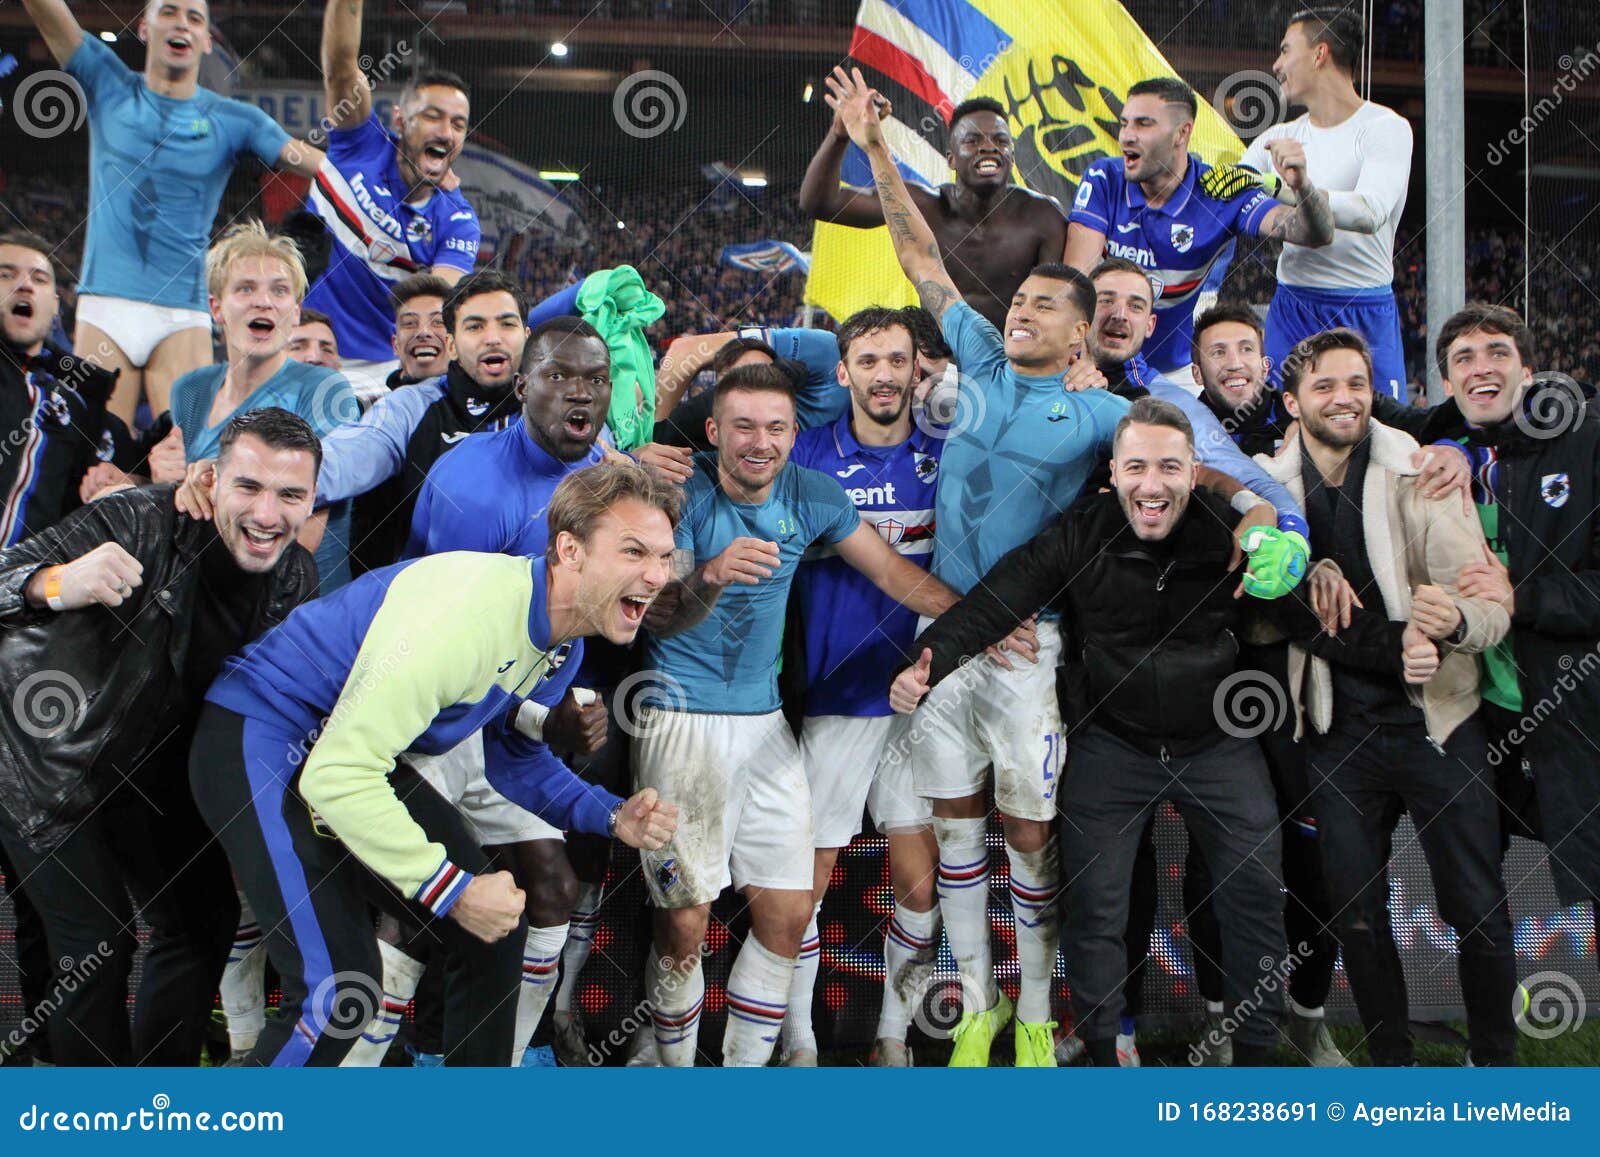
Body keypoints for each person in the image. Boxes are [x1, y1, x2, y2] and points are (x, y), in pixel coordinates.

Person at [189, 461, 683, 1066]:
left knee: (493, 932)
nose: (656, 575)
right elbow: (336, 775)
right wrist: (452, 891)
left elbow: (512, 760)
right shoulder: (468, 618)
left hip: (341, 747)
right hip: (259, 732)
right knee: (337, 990)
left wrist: (611, 816)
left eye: (664, 556)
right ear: (569, 550)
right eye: (635, 551)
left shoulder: (564, 639)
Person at [835, 65, 1129, 1067]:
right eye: (1022, 300)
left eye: (1046, 304)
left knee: (1028, 839)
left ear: (1080, 333)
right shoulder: (973, 348)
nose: (1021, 310)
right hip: (940, 639)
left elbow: (1185, 463)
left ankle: (1041, 1008)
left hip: (1022, 648)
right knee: (957, 833)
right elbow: (919, 254)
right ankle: (979, 1005)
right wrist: (875, 145)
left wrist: (1261, 507)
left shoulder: (1100, 414)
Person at [634, 364, 964, 1068]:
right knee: (684, 923)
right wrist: (711, 575)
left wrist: (983, 619)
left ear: (793, 434)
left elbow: (891, 572)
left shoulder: (812, 494)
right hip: (679, 722)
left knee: (787, 916)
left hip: (765, 725)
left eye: (777, 427)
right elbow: (655, 615)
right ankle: (668, 1072)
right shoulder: (679, 491)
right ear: (715, 431)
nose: (761, 442)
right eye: (745, 426)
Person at [0, 408, 320, 1066]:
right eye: (249, 487)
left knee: (203, 921)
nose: (268, 514)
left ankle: (155, 1102)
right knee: (98, 943)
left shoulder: (295, 577)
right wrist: (59, 582)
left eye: (290, 495)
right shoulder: (140, 519)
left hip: (151, 771)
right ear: (210, 478)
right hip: (39, 759)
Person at [338, 318, 618, 1068]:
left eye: (595, 378)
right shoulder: (469, 484)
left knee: (554, 883)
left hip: (505, 723)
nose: (580, 391)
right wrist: (540, 712)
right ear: (523, 386)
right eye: (561, 375)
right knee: (417, 907)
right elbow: (444, 646)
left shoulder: (602, 479)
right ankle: (361, 1070)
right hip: (430, 716)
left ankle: (510, 1059)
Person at [1253, 327, 1519, 1066]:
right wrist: (1317, 570)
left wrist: (1459, 620)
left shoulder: (1422, 471)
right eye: (1325, 385)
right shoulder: (1263, 487)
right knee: (1358, 918)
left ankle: (1493, 1064)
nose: (1344, 398)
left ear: (1375, 391)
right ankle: (1390, 1068)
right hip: (1337, 732)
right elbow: (1260, 604)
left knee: (1478, 907)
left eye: (1356, 384)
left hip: (1442, 721)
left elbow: (1492, 608)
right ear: (1292, 401)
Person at [20, 0, 327, 425]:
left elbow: (321, 167)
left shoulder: (235, 120)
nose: (181, 23)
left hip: (181, 312)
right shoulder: (107, 82)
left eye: (195, 18)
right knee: (96, 459)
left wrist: (400, 172)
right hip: (105, 307)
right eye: (169, 12)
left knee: (186, 457)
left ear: (205, 42)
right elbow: (46, 12)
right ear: (144, 28)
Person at [779, 307, 946, 1068]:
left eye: (897, 360)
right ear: (843, 372)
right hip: (835, 700)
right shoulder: (804, 457)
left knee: (919, 884)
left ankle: (891, 1036)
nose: (884, 374)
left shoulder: (952, 454)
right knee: (804, 883)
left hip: (925, 699)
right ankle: (801, 1042)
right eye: (868, 360)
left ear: (920, 370)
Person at [1432, 303, 1600, 956]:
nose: (1483, 367)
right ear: (1446, 384)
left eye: (1499, 352)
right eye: (1465, 358)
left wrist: (1520, 595)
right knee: (1472, 879)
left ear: (1528, 370)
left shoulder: (1583, 439)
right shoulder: (1436, 461)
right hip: (1473, 712)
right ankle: (1486, 1037)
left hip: (1568, 704)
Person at [174, 271, 530, 577]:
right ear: (451, 345)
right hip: (424, 611)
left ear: (527, 335)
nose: (493, 337)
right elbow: (339, 460)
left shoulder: (557, 412)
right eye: (475, 326)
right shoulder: (407, 408)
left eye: (506, 323)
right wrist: (233, 476)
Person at [1063, 76, 1334, 376]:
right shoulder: (1104, 177)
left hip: (1178, 371)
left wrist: (1300, 185)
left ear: (1182, 132)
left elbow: (1314, 234)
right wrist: (1082, 356)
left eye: (1143, 124)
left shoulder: (1219, 192)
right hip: (1100, 361)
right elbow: (1078, 277)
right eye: (1125, 123)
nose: (1127, 136)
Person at [1207, 9, 1414, 399]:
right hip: (1294, 305)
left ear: (1320, 54)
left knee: (1384, 437)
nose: (1277, 64)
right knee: (1274, 431)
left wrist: (1285, 186)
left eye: (1286, 50)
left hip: (1364, 309)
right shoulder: (1277, 136)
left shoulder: (1385, 128)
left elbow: (1370, 212)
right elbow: (1226, 195)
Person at [167, 222, 359, 591]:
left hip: (301, 614)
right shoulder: (189, 390)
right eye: (245, 288)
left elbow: (299, 533)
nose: (264, 301)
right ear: (216, 307)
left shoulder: (324, 390)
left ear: (297, 312)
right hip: (207, 602)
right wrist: (146, 480)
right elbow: (177, 492)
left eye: (280, 290)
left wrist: (205, 486)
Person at [802, 69, 1067, 331]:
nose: (988, 147)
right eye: (973, 140)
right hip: (936, 363)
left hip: (1010, 362)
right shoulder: (921, 205)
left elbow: (1055, 306)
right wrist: (840, 133)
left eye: (1000, 140)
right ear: (951, 158)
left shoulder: (1043, 217)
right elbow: (821, 203)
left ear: (1011, 155)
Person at [305, 0, 479, 399]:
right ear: (401, 120)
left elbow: (439, 295)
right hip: (305, 352)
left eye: (458, 124)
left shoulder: (458, 218)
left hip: (387, 376)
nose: (447, 132)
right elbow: (340, 65)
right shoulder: (358, 145)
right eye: (433, 116)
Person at [0, 231, 120, 547]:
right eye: (6, 274)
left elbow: (128, 463)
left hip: (24, 589)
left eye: (39, 279)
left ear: (55, 306)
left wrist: (142, 472)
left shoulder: (79, 403)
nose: (24, 284)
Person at [388, 273, 452, 388]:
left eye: (438, 322)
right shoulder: (376, 405)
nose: (423, 332)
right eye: (410, 323)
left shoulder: (486, 402)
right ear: (395, 345)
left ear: (455, 344)